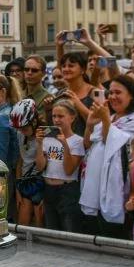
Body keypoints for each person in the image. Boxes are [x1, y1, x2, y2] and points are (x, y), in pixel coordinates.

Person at [80, 75, 134, 238]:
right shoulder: (112, 117)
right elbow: (88, 144)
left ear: (131, 95)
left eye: (118, 92)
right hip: (98, 185)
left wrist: (105, 119)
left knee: (114, 234)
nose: (112, 97)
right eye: (110, 92)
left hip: (120, 186)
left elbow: (115, 146)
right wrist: (90, 125)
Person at [35, 99, 85, 233]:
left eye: (61, 116)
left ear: (72, 117)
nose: (56, 120)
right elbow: (40, 167)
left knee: (69, 230)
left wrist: (65, 145)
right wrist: (39, 144)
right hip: (48, 189)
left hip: (67, 190)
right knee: (51, 230)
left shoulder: (77, 141)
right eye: (54, 116)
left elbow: (69, 170)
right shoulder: (47, 139)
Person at [9, 99, 44, 227]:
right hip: (25, 183)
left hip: (40, 183)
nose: (21, 131)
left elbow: (44, 166)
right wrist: (18, 190)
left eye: (24, 128)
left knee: (40, 225)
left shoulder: (44, 136)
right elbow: (20, 161)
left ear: (34, 121)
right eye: (19, 129)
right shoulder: (20, 134)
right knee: (22, 226)